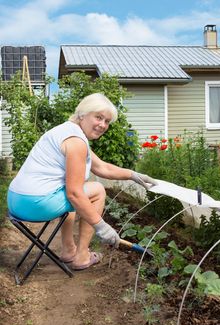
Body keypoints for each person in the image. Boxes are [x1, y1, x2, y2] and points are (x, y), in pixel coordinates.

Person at [7, 93, 157, 270]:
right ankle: (82, 256)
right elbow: (74, 193)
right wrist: (102, 226)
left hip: (17, 201)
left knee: (71, 190)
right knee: (96, 191)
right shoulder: (76, 141)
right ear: (82, 114)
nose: (103, 125)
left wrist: (133, 175)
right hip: (35, 204)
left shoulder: (67, 130)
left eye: (107, 121)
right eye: (98, 117)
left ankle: (69, 250)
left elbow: (102, 168)